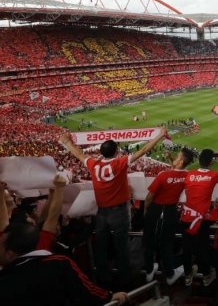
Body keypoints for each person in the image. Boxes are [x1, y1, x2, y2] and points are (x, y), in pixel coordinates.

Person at [59, 128, 167, 289]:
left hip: (101, 213)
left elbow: (79, 154)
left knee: (101, 248)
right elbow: (144, 150)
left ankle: (104, 282)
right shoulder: (119, 162)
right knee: (121, 248)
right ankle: (126, 283)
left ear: (101, 153)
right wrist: (159, 135)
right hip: (119, 212)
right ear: (116, 151)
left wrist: (67, 141)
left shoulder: (93, 164)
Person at [0, 222, 128, 305]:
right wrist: (109, 297)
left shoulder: (6, 277)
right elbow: (86, 290)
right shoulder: (59, 262)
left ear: (10, 253)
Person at [143, 147, 194, 285]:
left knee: (149, 241)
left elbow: (149, 197)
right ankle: (170, 275)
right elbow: (177, 170)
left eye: (177, 156)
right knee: (167, 244)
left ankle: (149, 272)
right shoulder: (187, 176)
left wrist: (145, 210)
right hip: (171, 212)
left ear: (181, 161)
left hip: (155, 209)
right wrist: (171, 159)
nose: (175, 158)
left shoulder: (162, 176)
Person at [181, 148, 218, 287]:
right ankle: (207, 274)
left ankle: (188, 275)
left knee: (187, 248)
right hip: (201, 220)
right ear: (211, 162)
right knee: (203, 247)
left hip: (186, 216)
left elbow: (187, 190)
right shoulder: (213, 175)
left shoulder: (189, 175)